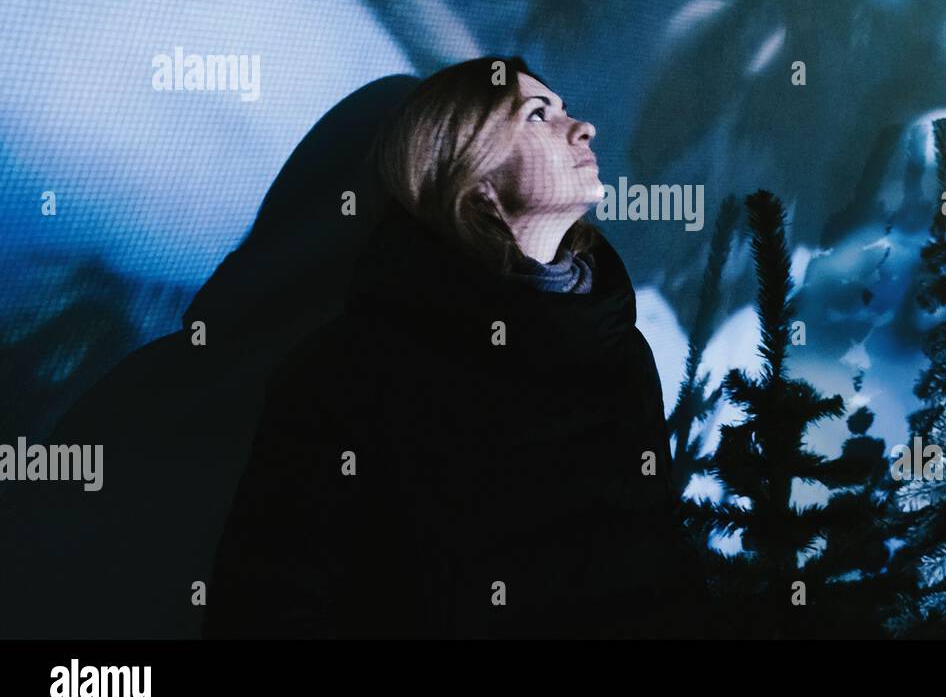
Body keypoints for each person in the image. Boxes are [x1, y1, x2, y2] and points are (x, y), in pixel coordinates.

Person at [202, 56, 711, 638]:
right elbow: (270, 606)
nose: (582, 128)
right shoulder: (351, 370)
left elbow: (659, 570)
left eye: (564, 109)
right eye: (537, 115)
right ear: (473, 175)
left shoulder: (620, 350)